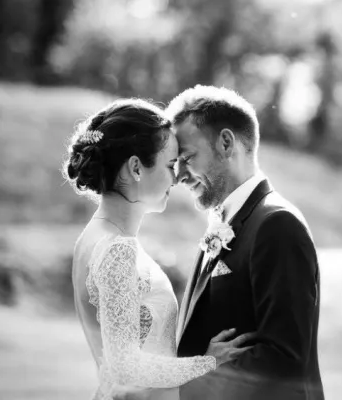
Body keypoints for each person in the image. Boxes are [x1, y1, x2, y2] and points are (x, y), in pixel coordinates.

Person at [64, 98, 254, 400]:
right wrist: (209, 362)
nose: (177, 176)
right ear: (136, 167)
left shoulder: (93, 237)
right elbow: (125, 366)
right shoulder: (117, 250)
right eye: (169, 165)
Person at [168, 85, 325, 400]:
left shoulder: (276, 224)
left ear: (226, 143)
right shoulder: (224, 222)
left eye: (187, 158)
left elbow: (283, 359)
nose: (179, 175)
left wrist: (198, 377)